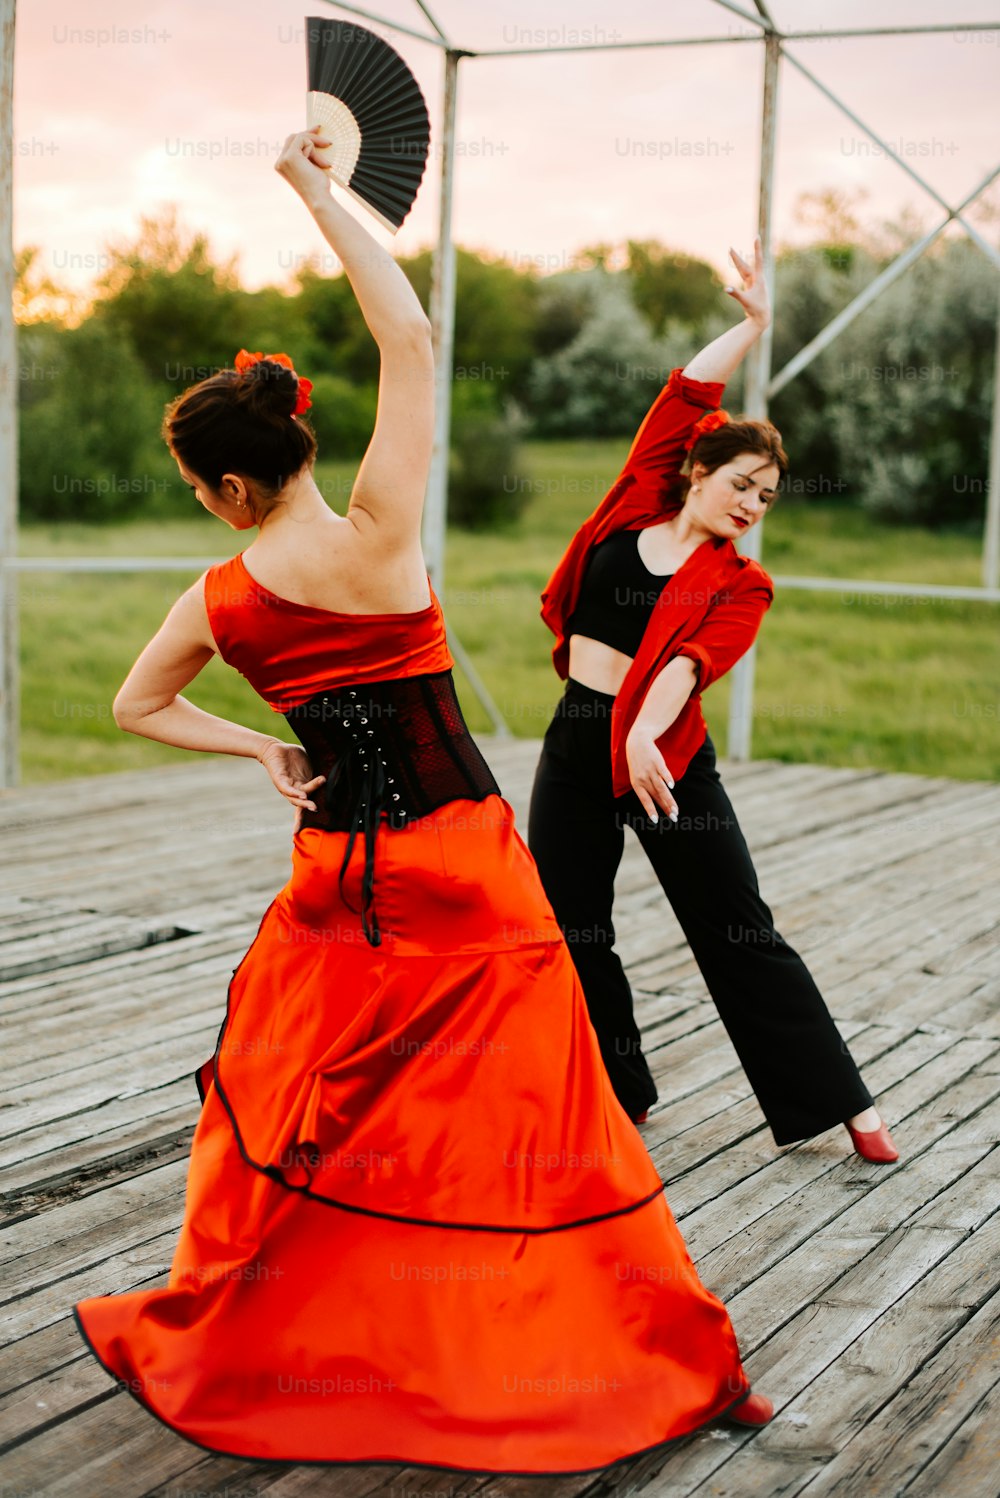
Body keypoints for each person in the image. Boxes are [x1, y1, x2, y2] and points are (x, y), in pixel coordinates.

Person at [71, 128, 774, 1474]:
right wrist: (310, 189)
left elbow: (134, 706)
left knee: (312, 1112)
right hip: (468, 864)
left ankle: (299, 1328)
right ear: (295, 443)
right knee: (540, 1116)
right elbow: (407, 336)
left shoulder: (215, 598)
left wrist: (258, 753)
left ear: (224, 489)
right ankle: (621, 1334)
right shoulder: (381, 529)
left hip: (335, 881)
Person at [528, 236, 899, 1166]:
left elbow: (689, 664)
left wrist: (646, 738)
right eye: (742, 484)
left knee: (736, 930)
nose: (752, 504)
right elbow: (683, 398)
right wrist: (755, 325)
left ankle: (844, 1101)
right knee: (571, 929)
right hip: (576, 738)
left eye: (767, 497)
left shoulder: (742, 583)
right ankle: (621, 1092)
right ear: (698, 473)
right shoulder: (633, 503)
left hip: (670, 762)